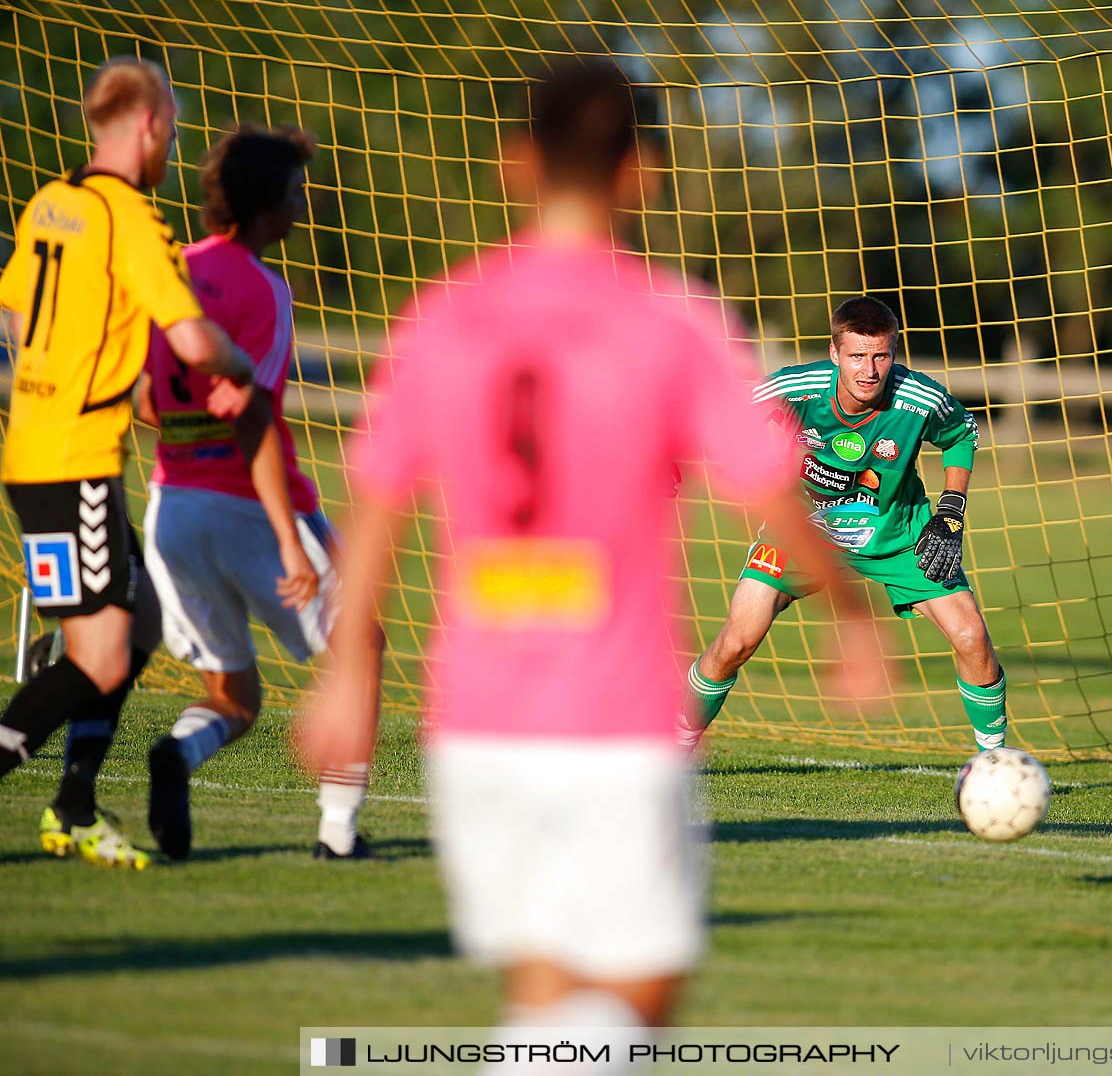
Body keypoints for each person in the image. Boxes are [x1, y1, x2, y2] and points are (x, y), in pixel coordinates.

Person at [296, 57, 888, 1069]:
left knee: (543, 993)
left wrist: (346, 673)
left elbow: (381, 504)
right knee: (638, 1000)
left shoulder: (447, 314)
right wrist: (852, 614)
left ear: (515, 163)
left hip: (473, 721)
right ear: (641, 173)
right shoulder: (670, 320)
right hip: (612, 720)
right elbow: (770, 491)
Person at [0, 57, 255, 869]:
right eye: (172, 133)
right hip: (73, 461)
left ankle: (74, 805)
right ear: (148, 126)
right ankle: (55, 790)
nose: (172, 149)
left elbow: (14, 313)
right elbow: (189, 339)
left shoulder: (51, 204)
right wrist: (240, 369)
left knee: (136, 625)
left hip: (37, 448)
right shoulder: (131, 219)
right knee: (100, 656)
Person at [136, 124, 384, 861]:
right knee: (362, 643)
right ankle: (338, 832)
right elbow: (254, 419)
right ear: (271, 205)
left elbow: (145, 400)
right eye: (298, 193)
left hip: (172, 509)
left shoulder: (171, 271)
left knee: (236, 698)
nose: (304, 207)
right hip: (253, 508)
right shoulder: (266, 288)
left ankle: (177, 756)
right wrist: (285, 538)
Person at [680, 294, 1008, 752]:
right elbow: (721, 413)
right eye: (856, 356)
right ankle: (676, 743)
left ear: (894, 352)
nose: (869, 370)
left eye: (880, 356)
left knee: (972, 636)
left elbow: (960, 434)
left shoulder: (919, 398)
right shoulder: (793, 388)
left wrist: (951, 508)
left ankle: (994, 762)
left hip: (898, 536)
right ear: (835, 354)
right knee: (736, 640)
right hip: (801, 535)